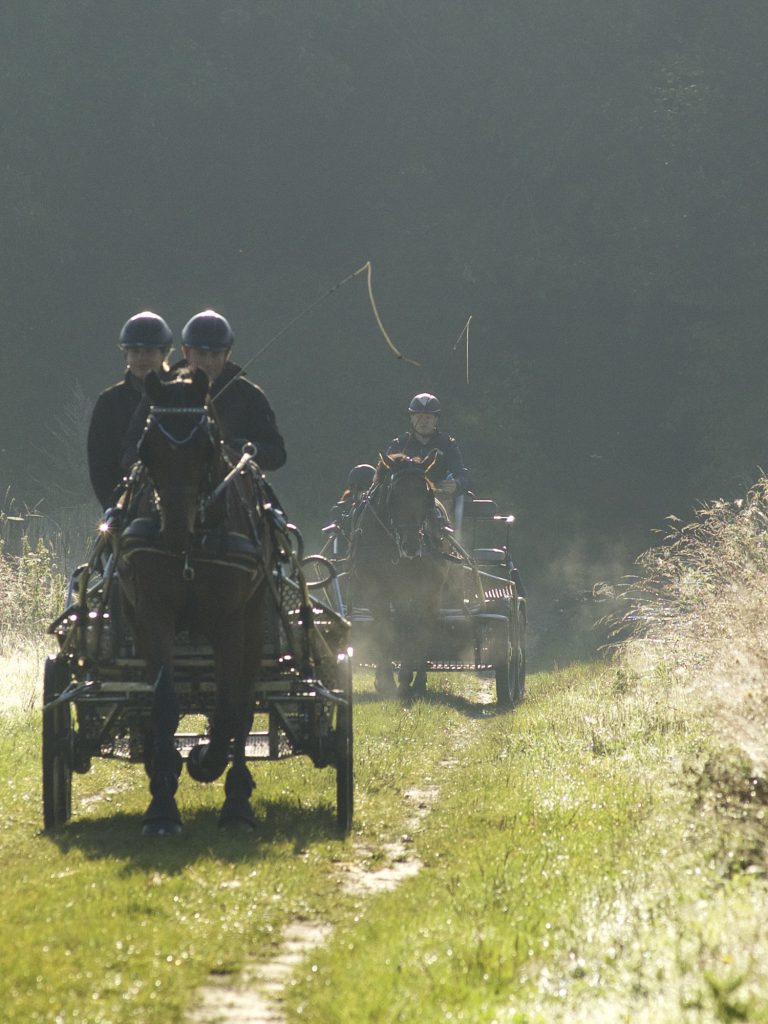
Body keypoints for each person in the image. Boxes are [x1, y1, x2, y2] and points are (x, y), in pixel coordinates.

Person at [122, 309, 286, 473]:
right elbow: (131, 450)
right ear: (185, 352)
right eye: (201, 354)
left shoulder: (248, 394)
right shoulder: (163, 390)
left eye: (215, 355)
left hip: (235, 490)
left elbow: (277, 453)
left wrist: (246, 448)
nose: (208, 362)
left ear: (227, 354)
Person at [87, 311, 172, 509]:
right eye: (135, 352)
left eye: (149, 351)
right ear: (126, 355)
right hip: (126, 506)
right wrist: (114, 507)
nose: (142, 358)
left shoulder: (184, 396)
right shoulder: (109, 402)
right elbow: (100, 464)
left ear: (164, 353)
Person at [386, 393, 470, 502]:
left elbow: (463, 476)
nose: (423, 421)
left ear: (436, 419)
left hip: (437, 498)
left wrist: (457, 485)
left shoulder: (447, 444)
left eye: (428, 417)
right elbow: (384, 475)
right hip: (403, 498)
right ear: (411, 418)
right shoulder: (398, 444)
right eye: (419, 416)